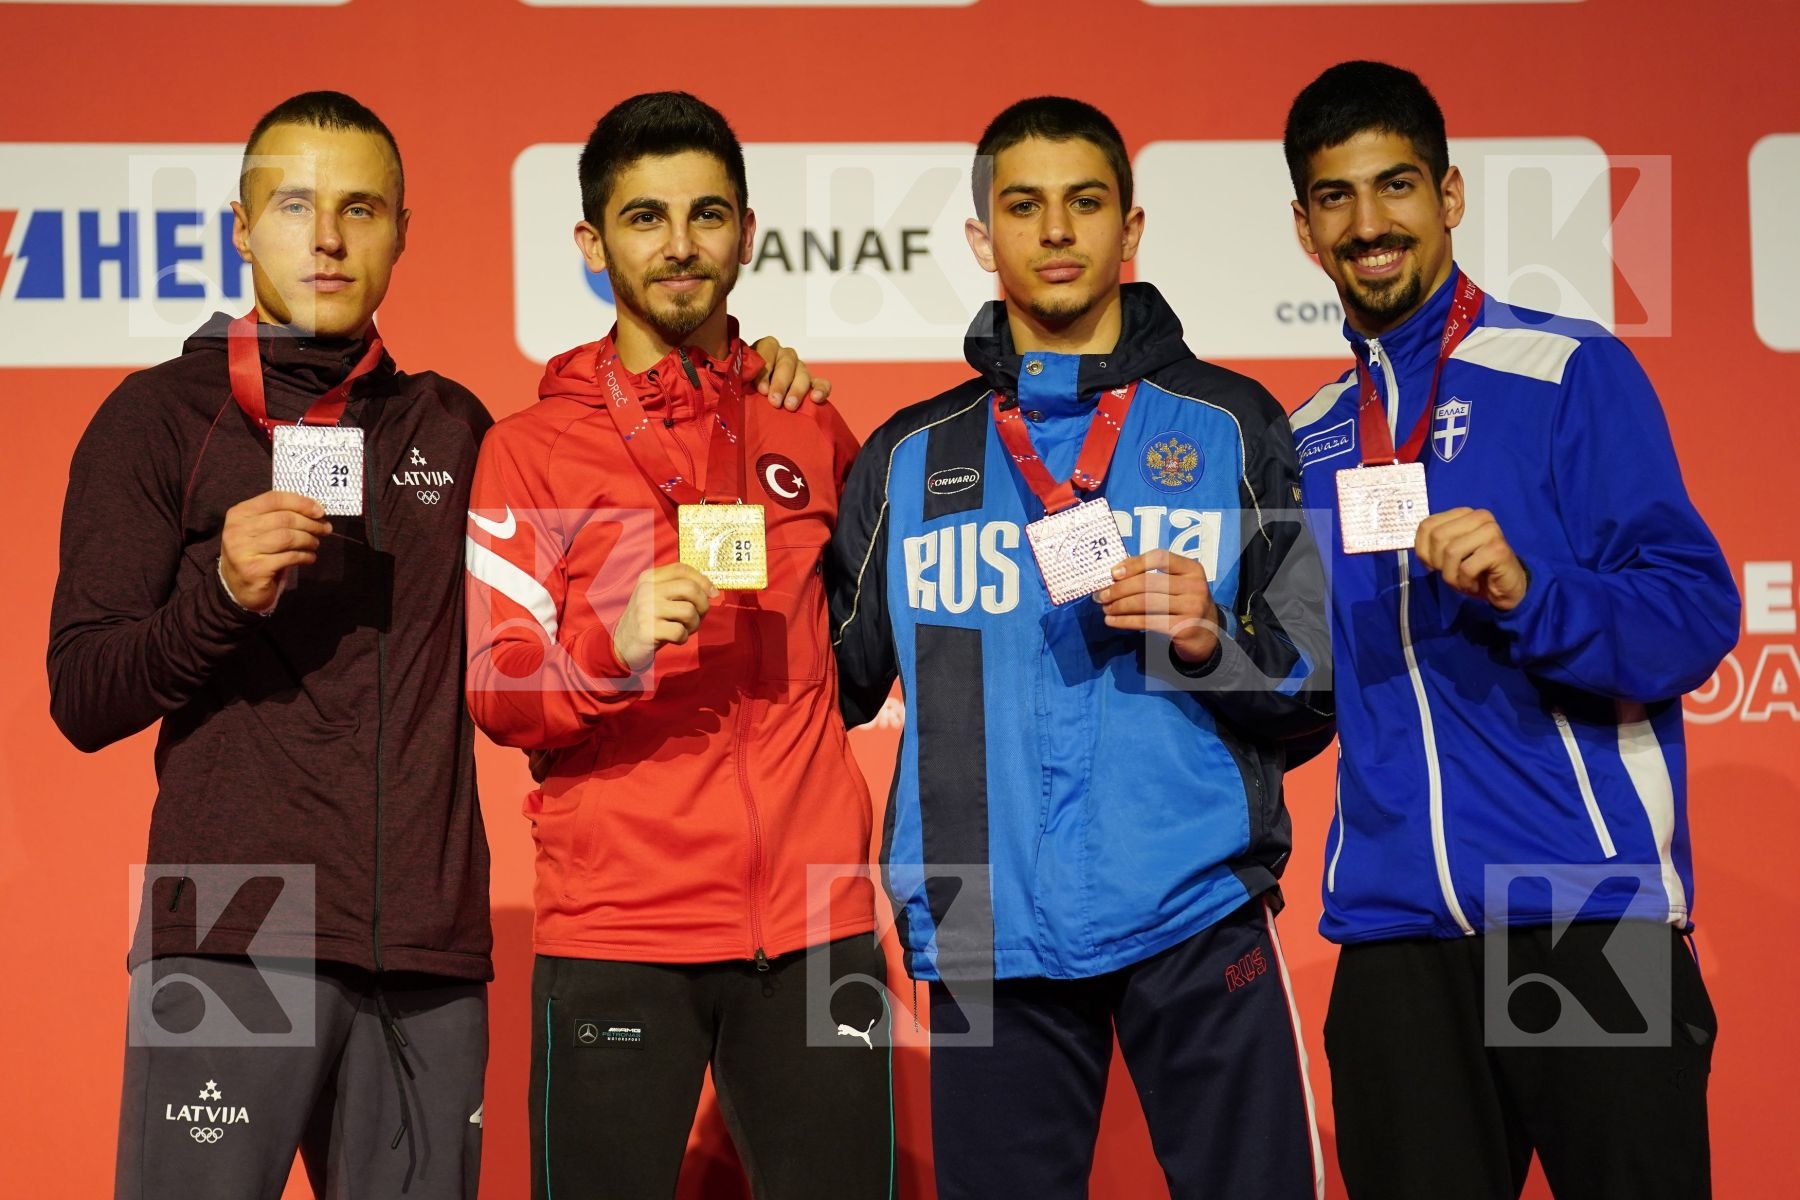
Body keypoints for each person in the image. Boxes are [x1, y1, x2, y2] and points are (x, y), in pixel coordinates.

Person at [48, 89, 830, 1200]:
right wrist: (219, 591)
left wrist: (752, 370)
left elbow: (566, 574)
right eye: (294, 207)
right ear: (240, 226)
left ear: (405, 231)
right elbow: (81, 693)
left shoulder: (453, 427)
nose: (327, 238)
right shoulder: (159, 421)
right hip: (230, 924)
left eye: (362, 209)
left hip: (425, 948)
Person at [828, 96, 1332, 1200]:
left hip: (1195, 908)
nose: (1056, 231)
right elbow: (826, 685)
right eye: (1024, 206)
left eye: (1084, 202)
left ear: (1131, 230)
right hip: (983, 926)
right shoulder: (906, 458)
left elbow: (1315, 686)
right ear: (981, 240)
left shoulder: (1230, 423)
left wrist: (1210, 641)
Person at [1283, 61, 1734, 1200]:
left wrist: (1533, 590)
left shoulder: (1568, 369)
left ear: (1451, 195)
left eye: (1396, 187)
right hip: (1394, 945)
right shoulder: (1313, 436)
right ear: (1303, 226)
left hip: (1585, 915)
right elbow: (1301, 688)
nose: (1370, 223)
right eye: (1336, 197)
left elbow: (1694, 610)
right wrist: (1201, 640)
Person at [463, 91, 892, 1200]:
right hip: (619, 926)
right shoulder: (529, 450)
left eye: (708, 215)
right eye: (644, 217)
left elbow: (861, 636)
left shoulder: (807, 420)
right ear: (592, 243)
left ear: (747, 234)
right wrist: (607, 647)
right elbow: (499, 684)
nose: (680, 244)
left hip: (812, 923)